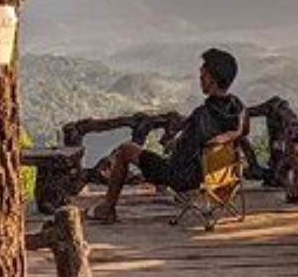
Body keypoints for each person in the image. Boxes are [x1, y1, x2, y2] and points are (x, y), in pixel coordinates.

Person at [88, 48, 247, 223]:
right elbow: (237, 134)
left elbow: (179, 161)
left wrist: (172, 144)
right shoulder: (239, 109)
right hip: (221, 177)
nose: (200, 80)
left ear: (212, 80)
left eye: (203, 76)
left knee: (126, 150)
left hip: (186, 179)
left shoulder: (201, 116)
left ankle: (107, 208)